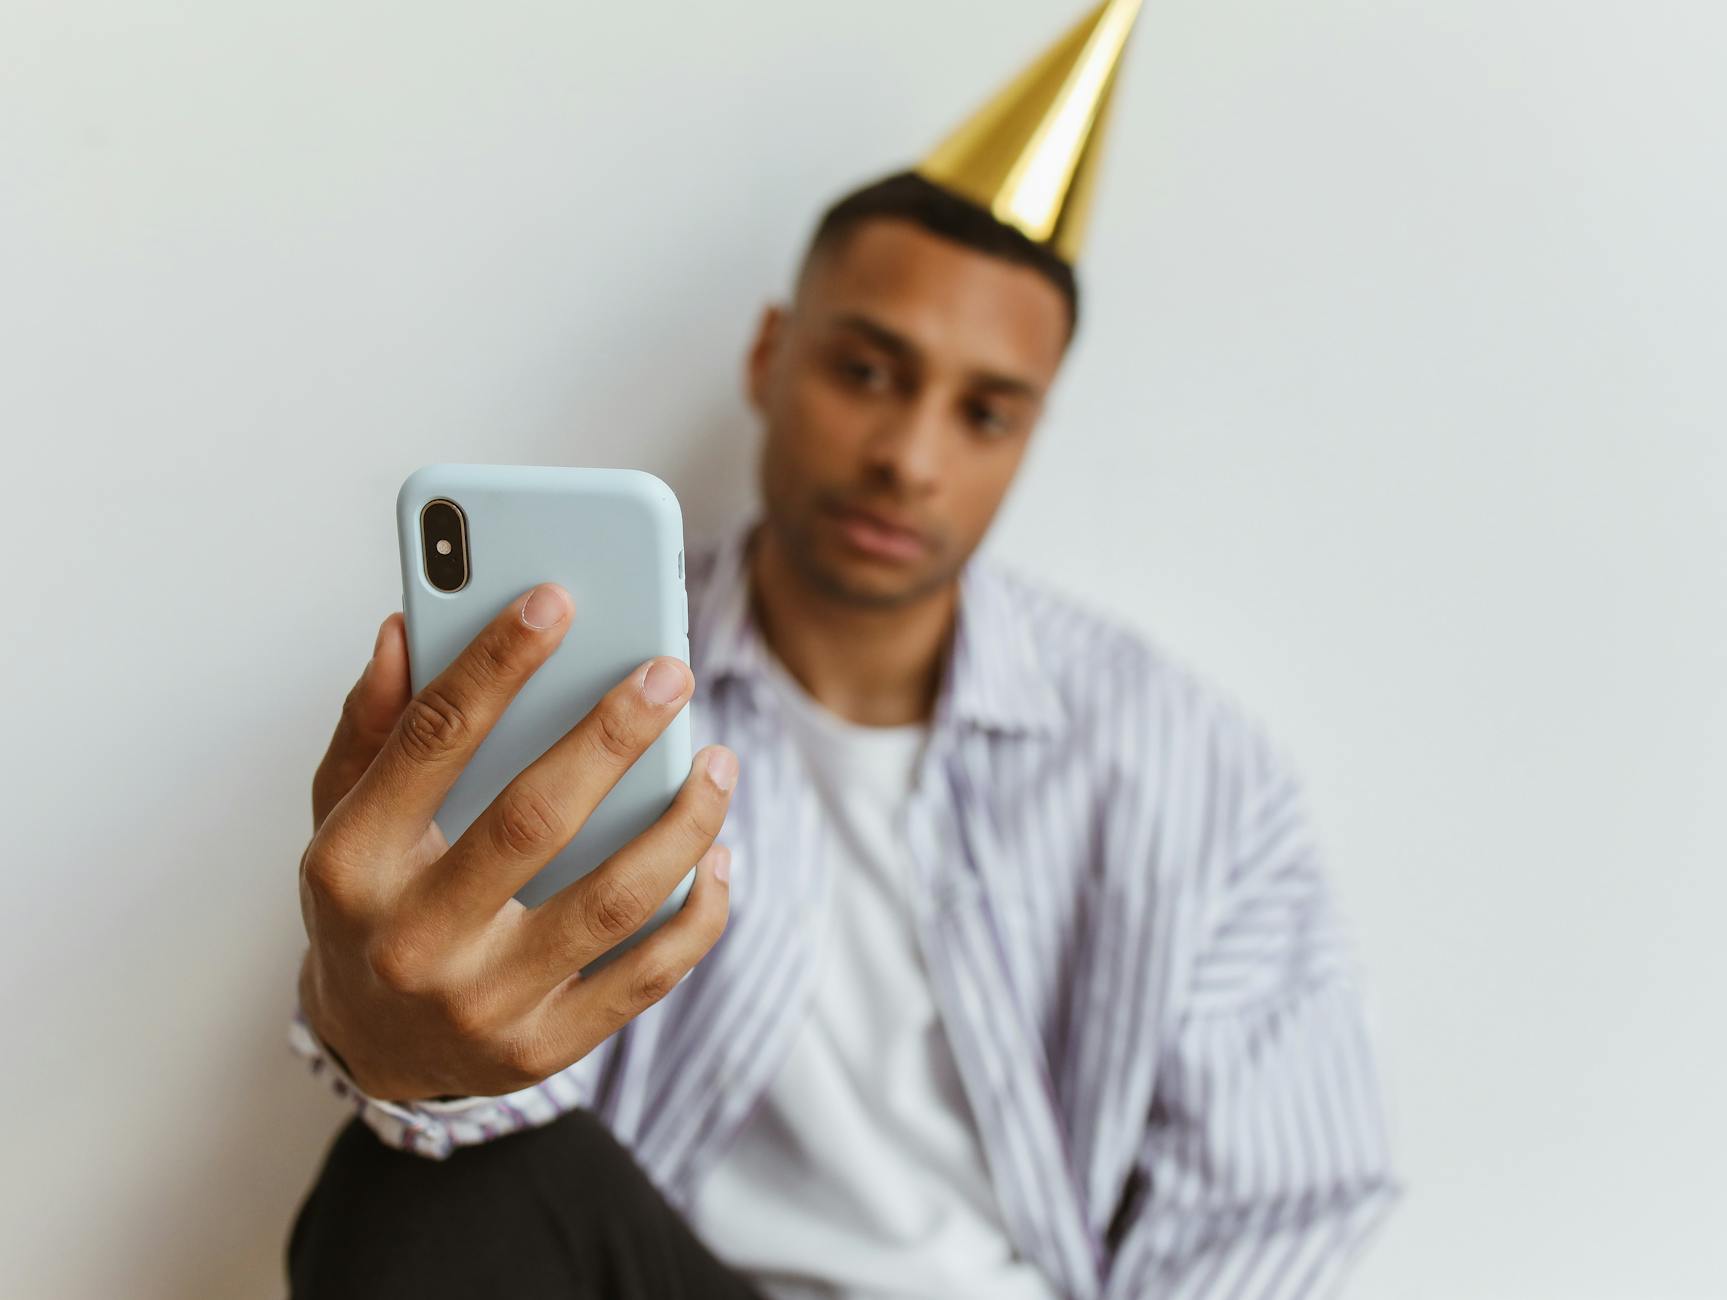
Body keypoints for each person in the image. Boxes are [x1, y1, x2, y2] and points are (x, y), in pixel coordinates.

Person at [286, 3, 1399, 1296]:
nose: (909, 458)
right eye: (868, 372)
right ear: (772, 356)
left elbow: (1282, 1198)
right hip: (679, 1278)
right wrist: (397, 1051)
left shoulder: (1187, 759)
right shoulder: (593, 696)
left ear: (1029, 437)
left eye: (985, 413)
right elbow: (491, 1110)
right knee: (409, 1184)